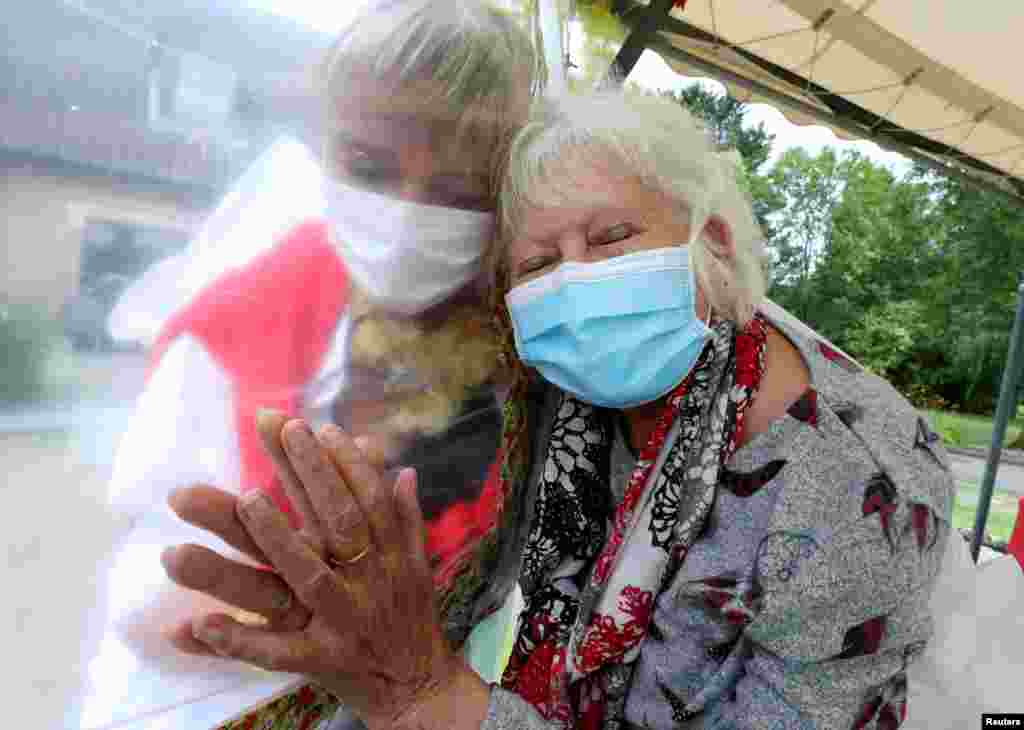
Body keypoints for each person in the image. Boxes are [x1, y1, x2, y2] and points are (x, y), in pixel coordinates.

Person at [163, 91, 954, 730]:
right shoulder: (561, 396)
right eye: (539, 264)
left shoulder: (859, 492)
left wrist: (419, 694)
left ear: (710, 241)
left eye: (611, 237)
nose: (574, 287)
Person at [79, 1, 540, 727]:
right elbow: (147, 592)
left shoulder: (530, 352)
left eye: (460, 192)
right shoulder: (238, 322)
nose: (407, 215)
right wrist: (325, 627)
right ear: (327, 147)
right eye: (369, 168)